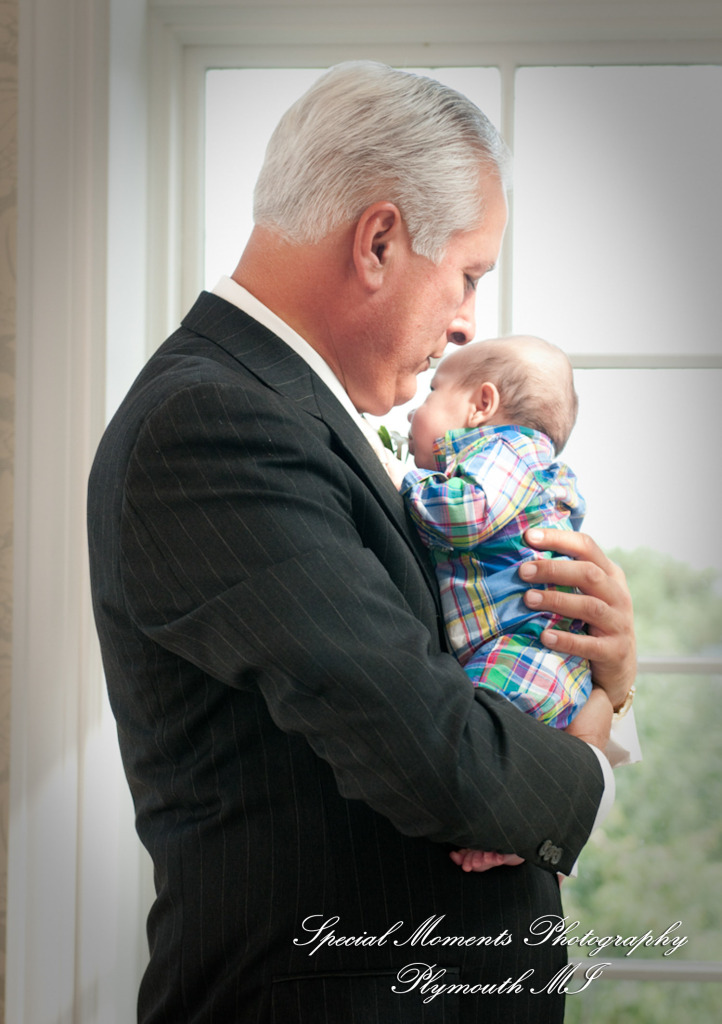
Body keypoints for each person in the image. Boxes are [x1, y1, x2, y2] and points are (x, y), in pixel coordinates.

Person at [87, 61, 636, 1023]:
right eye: (468, 275)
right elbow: (442, 758)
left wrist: (597, 666)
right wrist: (594, 749)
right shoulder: (215, 426)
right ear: (379, 240)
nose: (469, 319)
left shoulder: (279, 417)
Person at [400, 335, 592, 731]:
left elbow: (468, 512)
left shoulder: (509, 450)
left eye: (432, 392)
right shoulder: (519, 466)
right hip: (531, 656)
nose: (410, 415)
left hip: (522, 653)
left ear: (482, 405)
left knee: (468, 737)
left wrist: (404, 479)